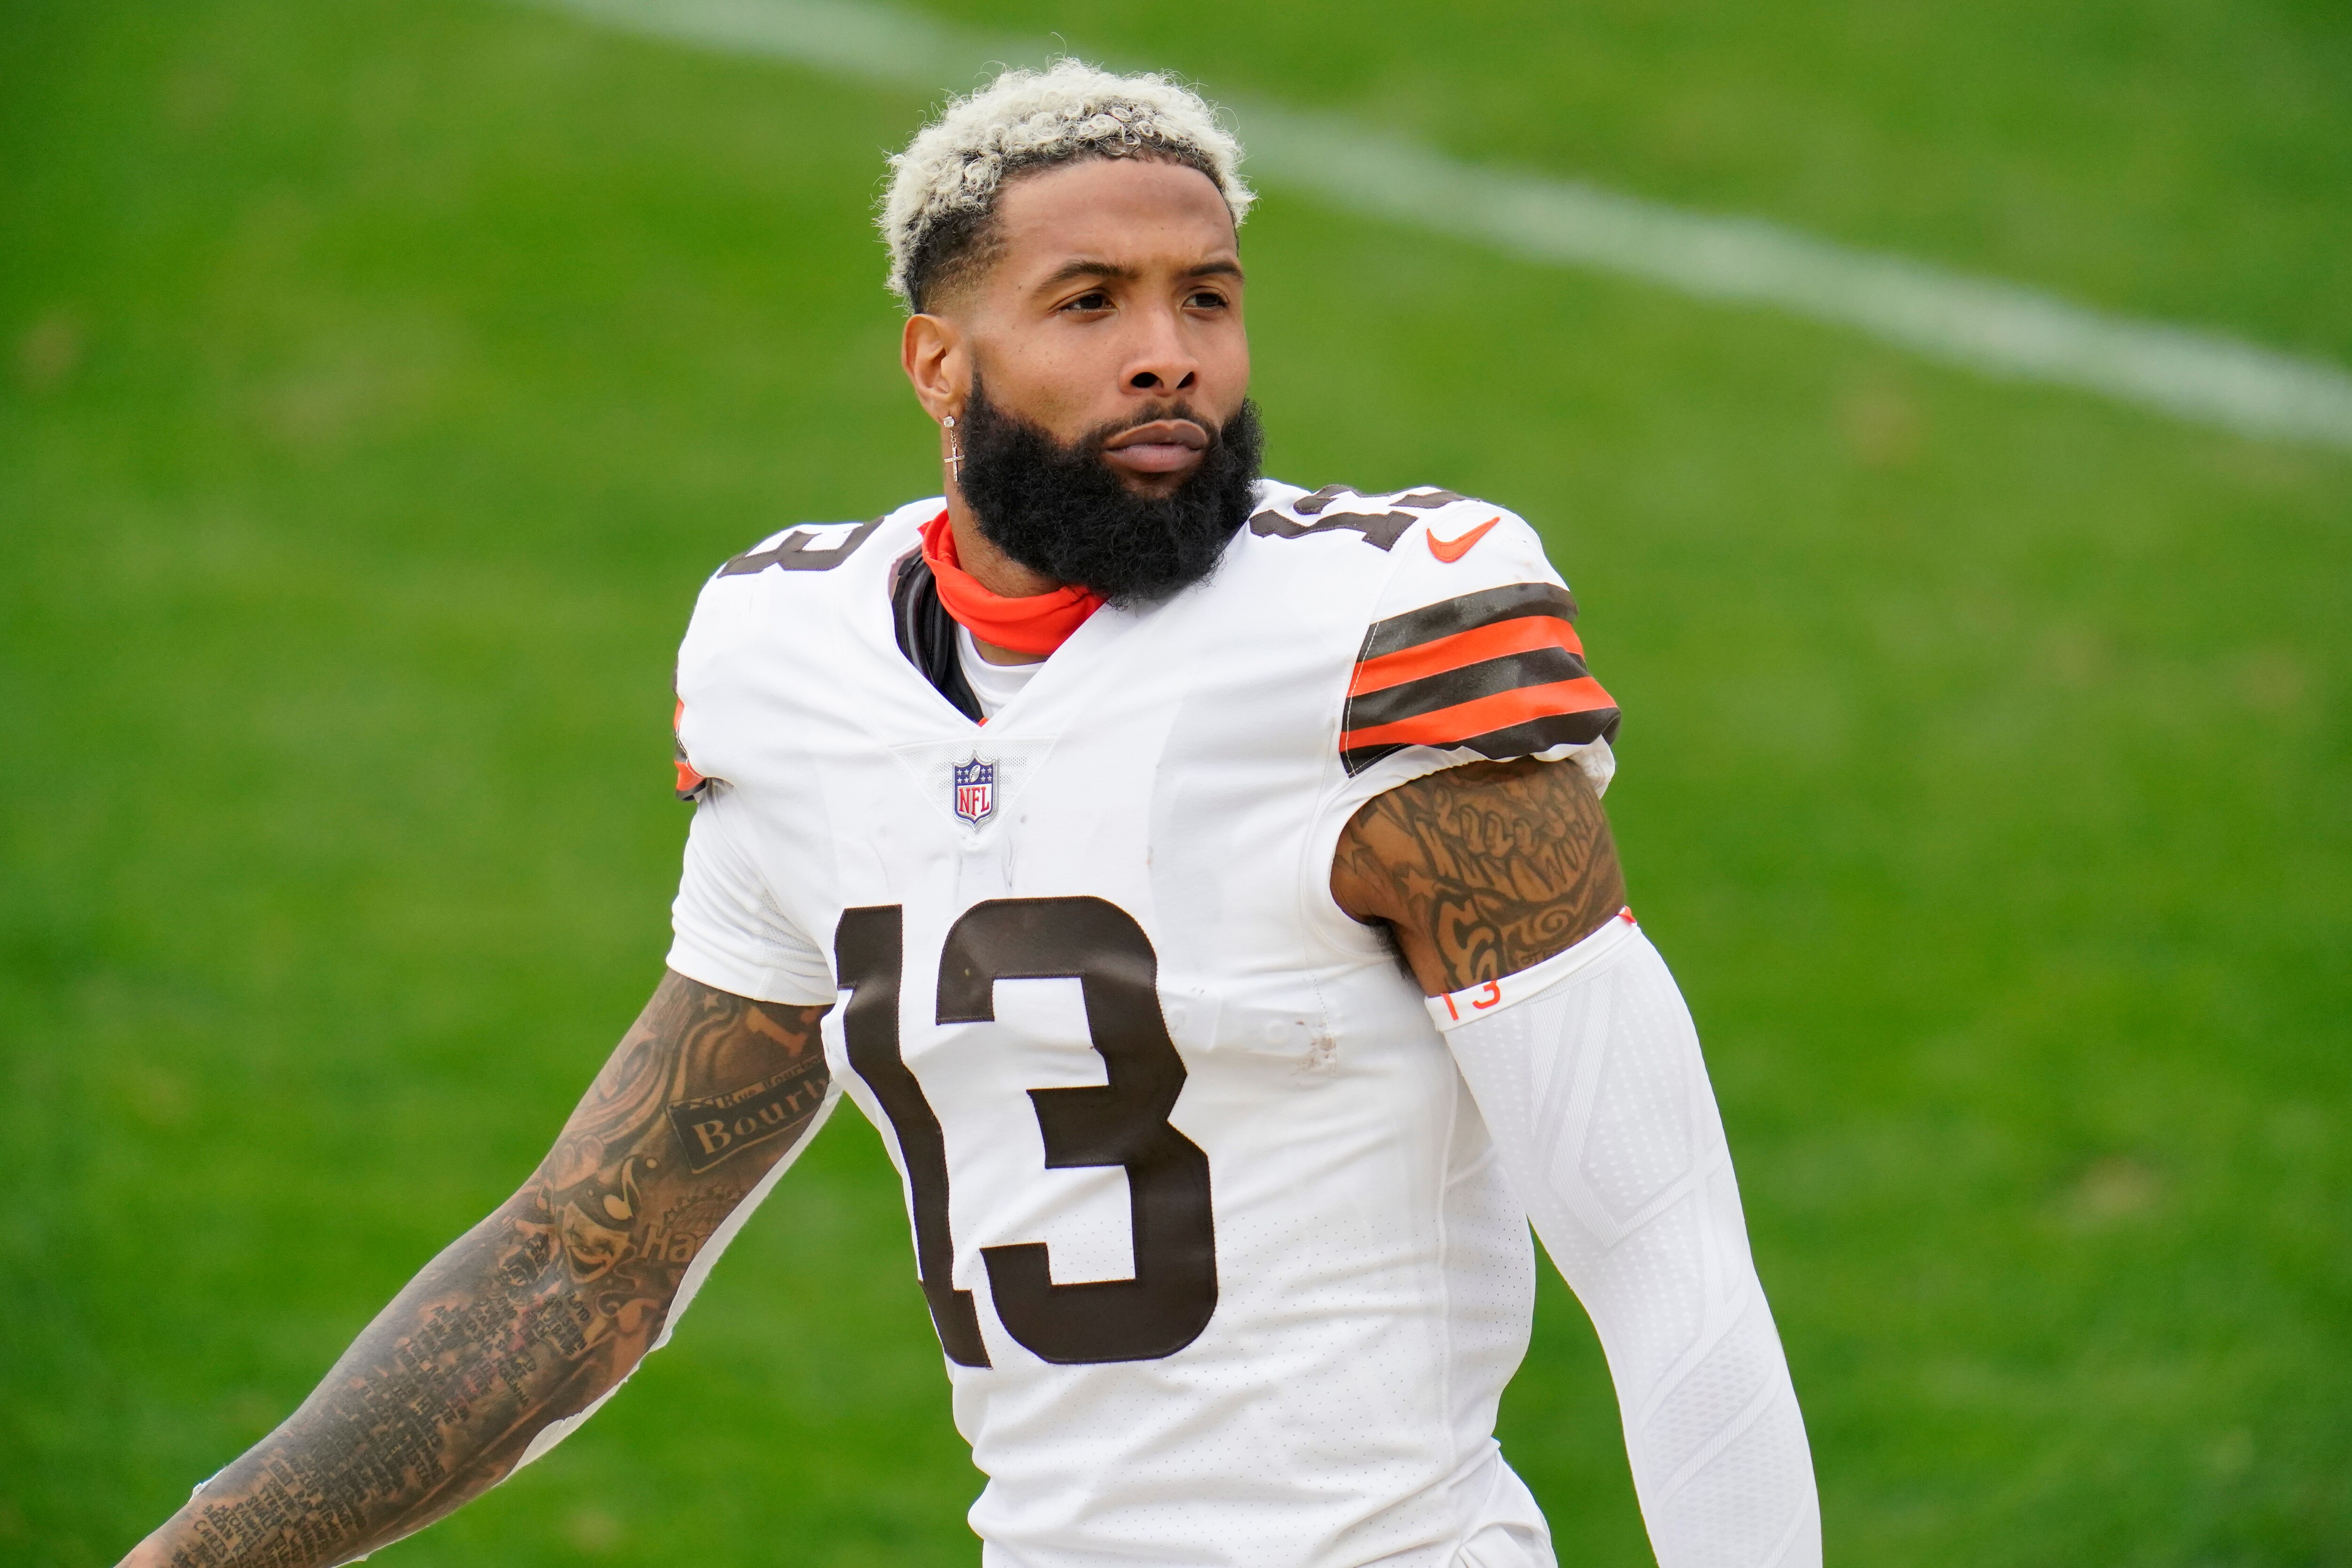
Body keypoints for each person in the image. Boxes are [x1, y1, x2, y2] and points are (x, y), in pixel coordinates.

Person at [120, 61, 1819, 1568]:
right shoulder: (797, 669)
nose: (1171, 358)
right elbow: (587, 1261)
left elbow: (1659, 1244)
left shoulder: (1378, 642)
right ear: (940, 362)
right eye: (1090, 304)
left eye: (1208, 299)